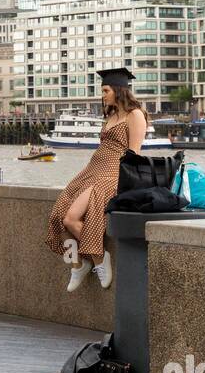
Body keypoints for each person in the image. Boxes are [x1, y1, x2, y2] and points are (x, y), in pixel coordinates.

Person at [45, 68, 149, 292]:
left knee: (71, 219)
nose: (102, 95)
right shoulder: (111, 115)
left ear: (119, 90)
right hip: (92, 169)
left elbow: (134, 153)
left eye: (105, 90)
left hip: (112, 173)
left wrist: (123, 183)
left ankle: (101, 260)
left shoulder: (135, 115)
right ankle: (78, 264)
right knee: (58, 215)